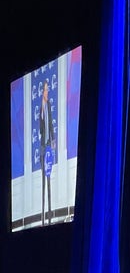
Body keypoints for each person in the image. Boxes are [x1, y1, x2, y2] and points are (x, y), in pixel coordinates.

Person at [40, 79, 55, 225]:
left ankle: (50, 216)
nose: (47, 91)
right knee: (43, 181)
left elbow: (50, 123)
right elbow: (40, 129)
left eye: (48, 89)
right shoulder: (41, 108)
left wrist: (53, 139)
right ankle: (43, 218)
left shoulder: (49, 105)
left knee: (49, 178)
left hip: (49, 146)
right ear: (42, 92)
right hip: (42, 147)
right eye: (45, 89)